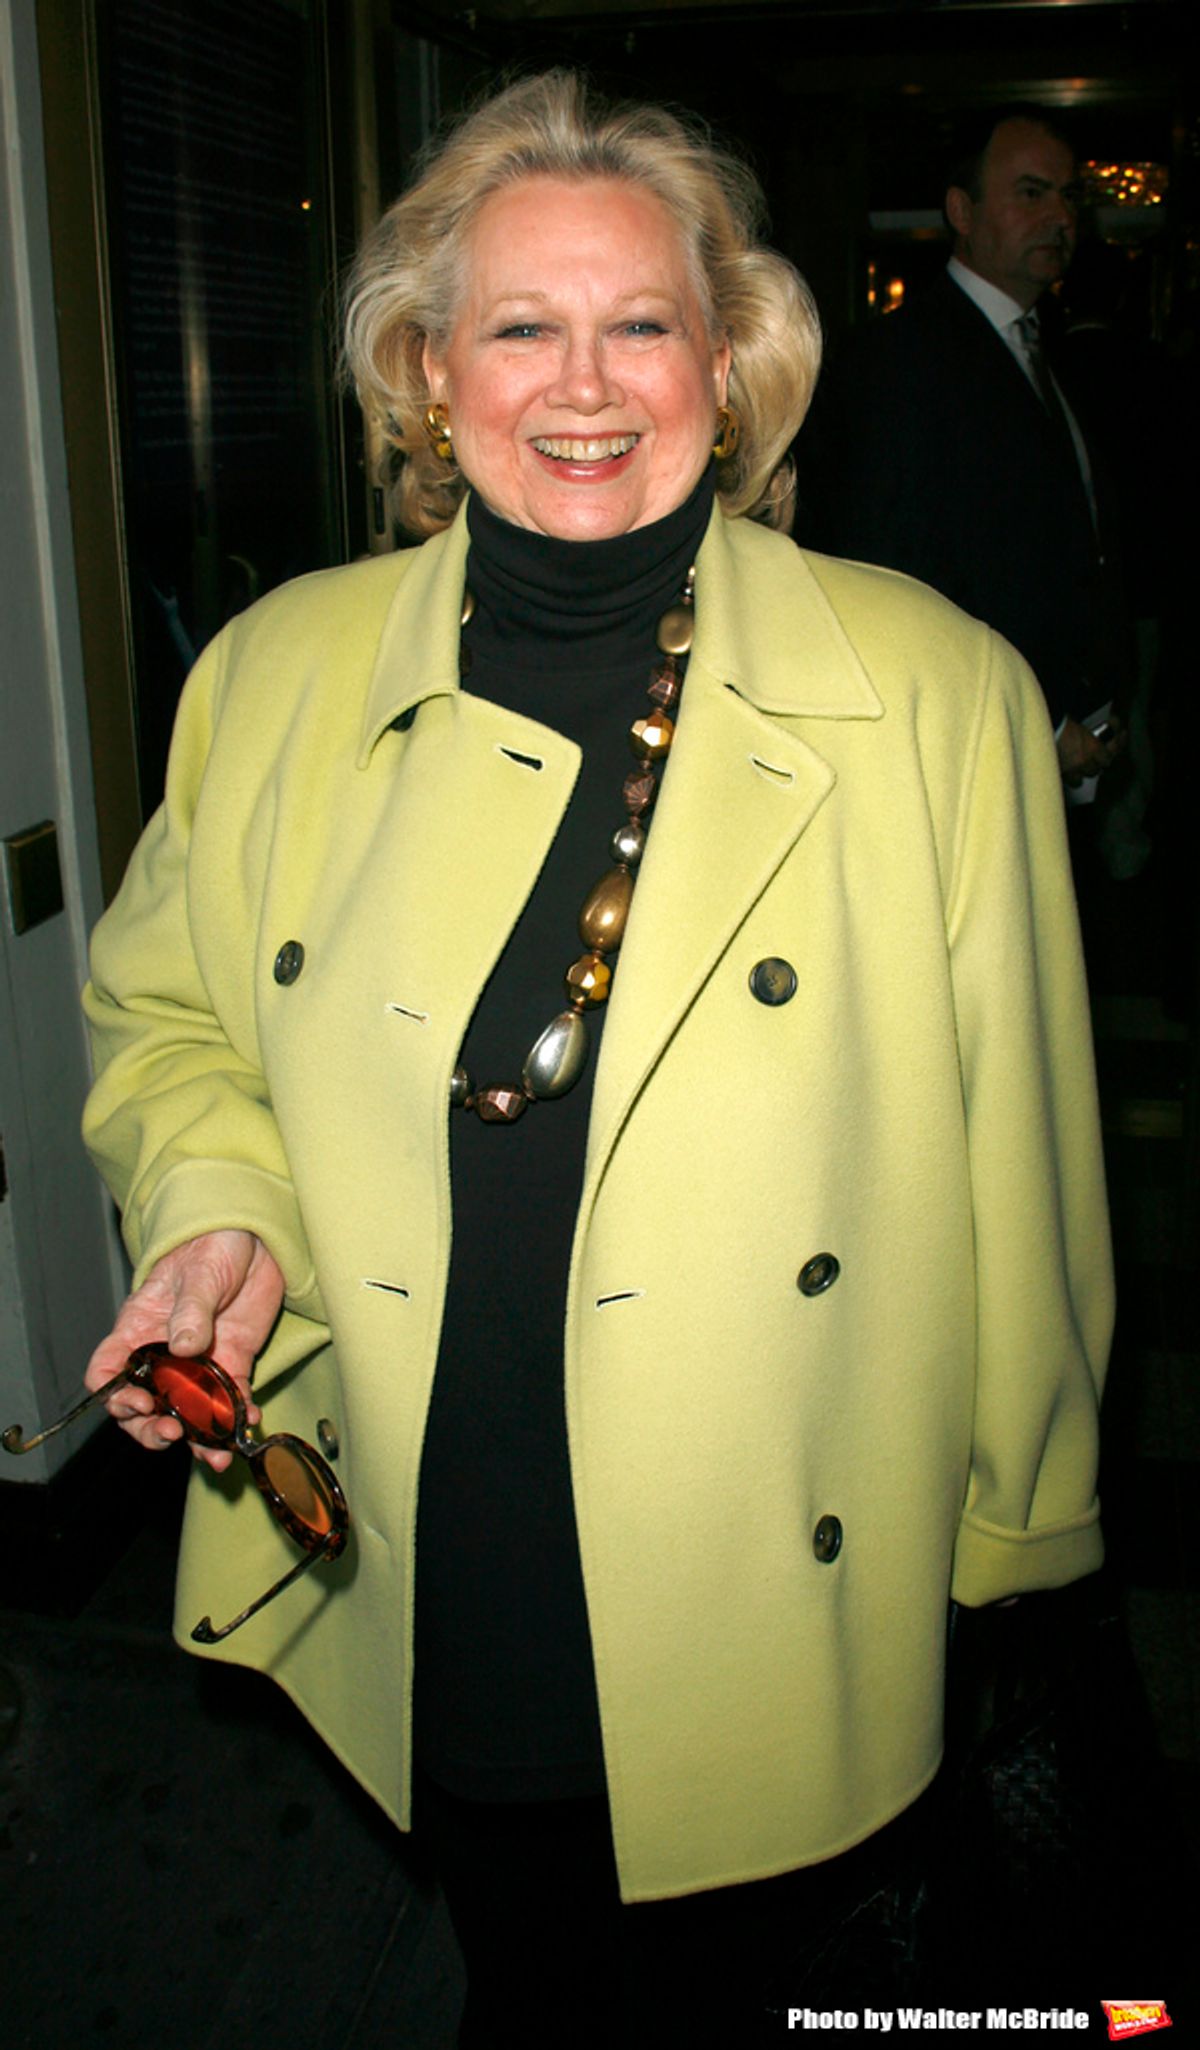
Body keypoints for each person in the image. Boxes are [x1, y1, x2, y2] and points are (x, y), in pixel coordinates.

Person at [68, 72, 1111, 2044]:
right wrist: (217, 1210)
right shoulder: (276, 674)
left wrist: (1019, 1555)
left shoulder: (937, 689)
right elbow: (172, 1010)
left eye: (643, 322)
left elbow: (1028, 1169)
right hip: (435, 1517)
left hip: (775, 1548)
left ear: (731, 370)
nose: (585, 381)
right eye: (519, 324)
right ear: (427, 369)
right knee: (531, 1963)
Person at [800, 110, 1129, 791]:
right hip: (975, 741)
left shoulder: (1045, 347)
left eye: (1070, 197)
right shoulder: (900, 362)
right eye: (1031, 193)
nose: (1059, 217)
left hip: (1071, 729)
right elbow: (901, 575)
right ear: (962, 210)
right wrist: (1037, 720)